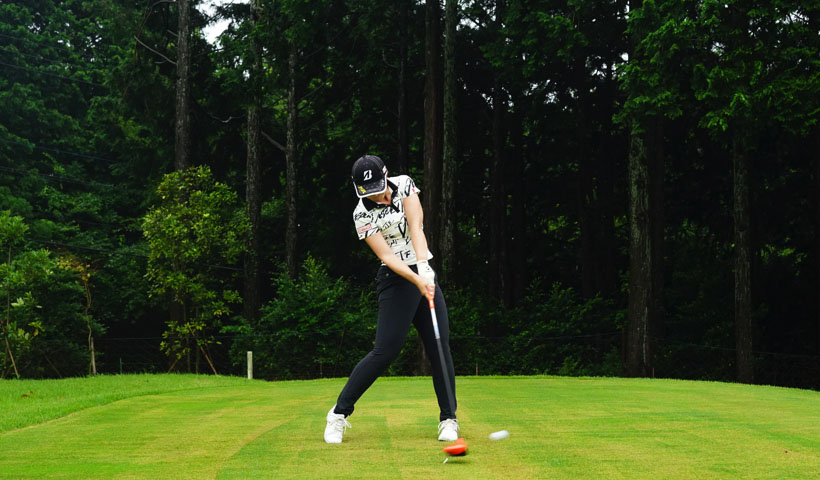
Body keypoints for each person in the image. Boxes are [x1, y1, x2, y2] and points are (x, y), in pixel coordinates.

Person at [324, 154, 459, 444]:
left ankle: (449, 419)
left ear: (385, 176)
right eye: (367, 191)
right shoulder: (361, 214)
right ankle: (338, 414)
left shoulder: (405, 184)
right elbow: (387, 255)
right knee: (386, 351)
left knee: (439, 346)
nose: (375, 195)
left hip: (421, 268)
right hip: (395, 280)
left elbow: (416, 226)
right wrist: (416, 279)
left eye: (378, 188)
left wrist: (423, 267)